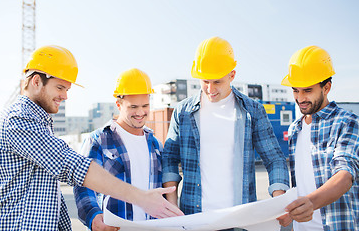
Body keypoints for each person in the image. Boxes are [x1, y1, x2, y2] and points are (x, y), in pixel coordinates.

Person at [0, 46, 183, 230]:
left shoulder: (38, 123)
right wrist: (140, 198)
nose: (65, 96)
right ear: (36, 81)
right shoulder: (18, 120)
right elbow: (74, 167)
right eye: (60, 87)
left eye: (67, 89)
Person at [162, 37, 290, 224]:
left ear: (232, 75)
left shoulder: (252, 111)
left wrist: (279, 200)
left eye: (217, 82)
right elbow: (170, 159)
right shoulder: (183, 112)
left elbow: (274, 159)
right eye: (205, 81)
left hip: (239, 218)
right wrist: (172, 206)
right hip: (193, 217)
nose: (210, 89)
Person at [278, 45, 359, 230]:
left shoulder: (347, 122)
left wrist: (311, 203)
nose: (300, 98)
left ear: (327, 87)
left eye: (307, 90)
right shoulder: (295, 129)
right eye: (295, 90)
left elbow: (345, 174)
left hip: (336, 225)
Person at [74, 68, 164, 231]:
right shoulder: (99, 140)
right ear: (118, 105)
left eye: (145, 106)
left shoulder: (155, 145)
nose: (140, 112)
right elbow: (83, 185)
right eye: (133, 107)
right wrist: (93, 216)